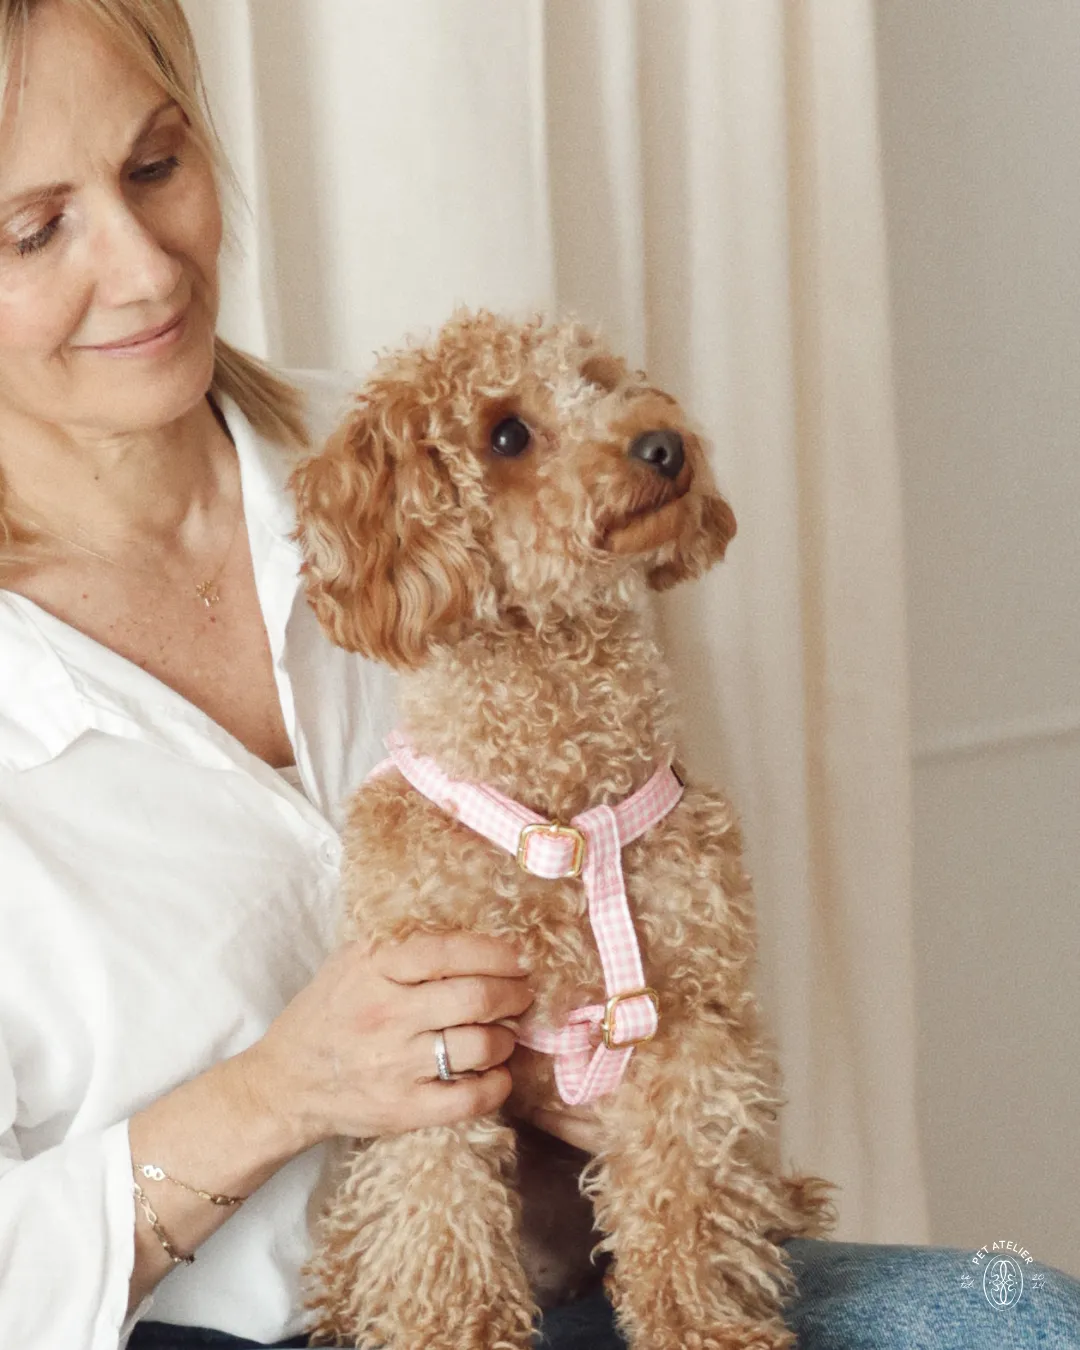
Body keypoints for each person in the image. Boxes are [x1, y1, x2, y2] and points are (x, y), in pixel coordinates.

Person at [0, 2, 1076, 1348]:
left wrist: (618, 1077)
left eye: (158, 165)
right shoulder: (420, 466)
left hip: (586, 1272)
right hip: (212, 1328)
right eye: (33, 231)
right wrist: (279, 1091)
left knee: (1019, 1319)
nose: (148, 268)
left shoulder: (413, 455)